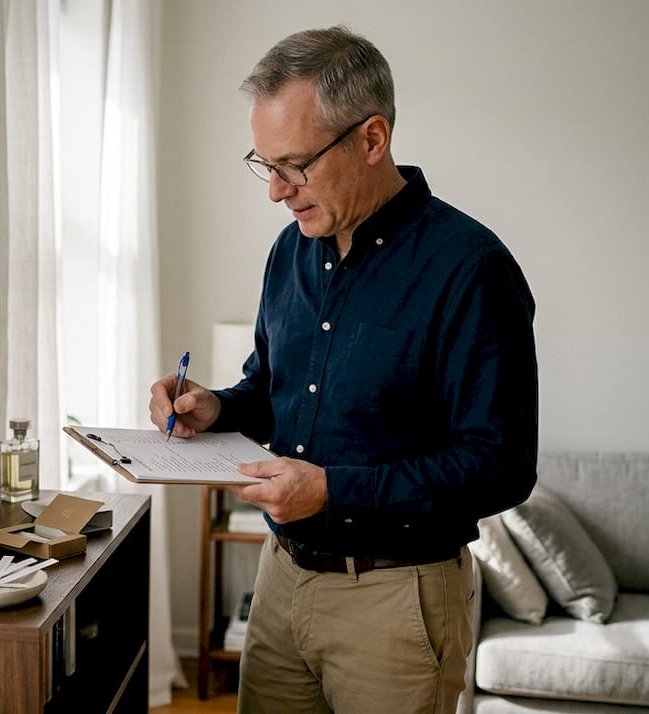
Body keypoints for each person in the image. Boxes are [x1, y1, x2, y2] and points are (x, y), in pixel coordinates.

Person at [149, 26, 539, 713]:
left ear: (372, 138)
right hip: (279, 582)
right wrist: (218, 407)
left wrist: (334, 491)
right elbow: (271, 390)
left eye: (294, 165)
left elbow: (501, 466)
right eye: (265, 164)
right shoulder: (289, 252)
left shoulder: (471, 269)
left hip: (397, 601)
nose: (276, 191)